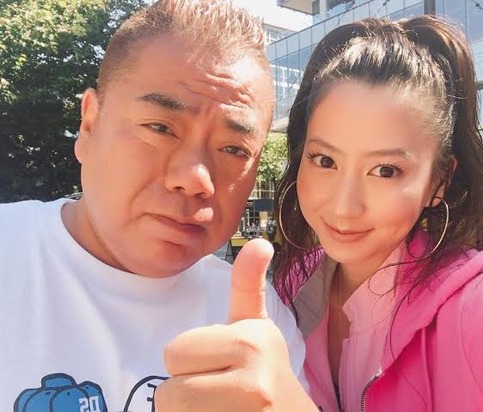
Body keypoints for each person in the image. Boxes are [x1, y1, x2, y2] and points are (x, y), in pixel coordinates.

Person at [159, 14, 483, 412]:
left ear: (438, 182)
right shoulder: (296, 282)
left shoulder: (481, 305)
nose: (344, 207)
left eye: (385, 171)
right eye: (325, 160)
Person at [0, 1, 306, 411]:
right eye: (160, 128)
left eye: (234, 149)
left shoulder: (261, 329)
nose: (195, 178)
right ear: (89, 124)